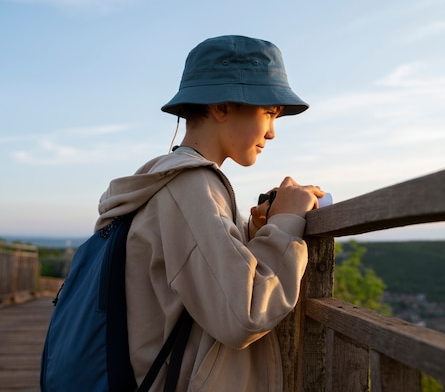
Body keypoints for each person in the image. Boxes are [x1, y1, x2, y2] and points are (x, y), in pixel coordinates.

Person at [95, 35, 325, 392]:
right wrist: (286, 224)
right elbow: (244, 313)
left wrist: (256, 232)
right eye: (268, 113)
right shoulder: (192, 188)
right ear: (222, 106)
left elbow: (199, 284)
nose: (273, 133)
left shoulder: (171, 183)